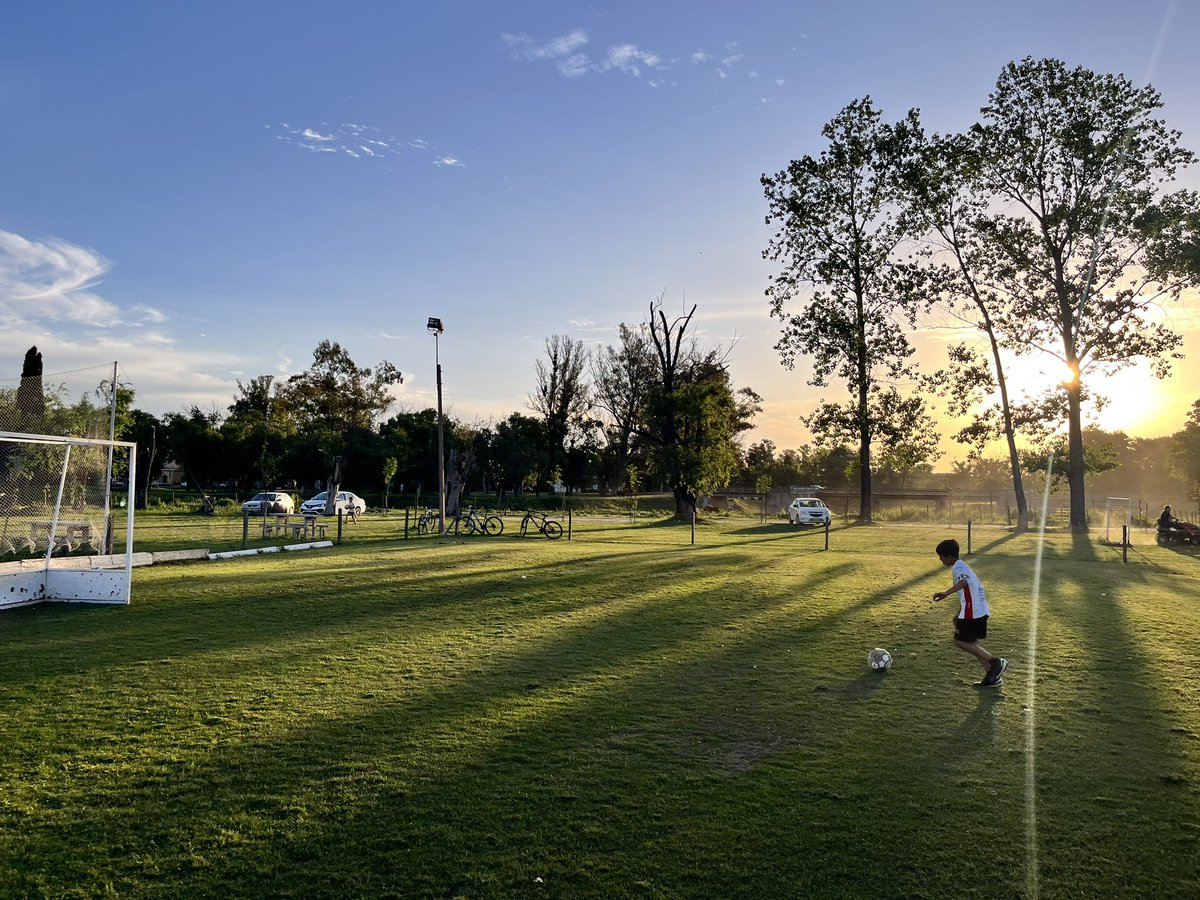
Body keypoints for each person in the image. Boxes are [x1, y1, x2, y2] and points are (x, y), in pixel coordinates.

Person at [933, 538, 1008, 688]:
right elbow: (969, 591)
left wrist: (946, 593)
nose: (940, 560)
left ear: (948, 556)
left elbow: (964, 583)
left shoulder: (959, 568)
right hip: (978, 610)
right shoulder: (963, 566)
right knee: (971, 643)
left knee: (959, 641)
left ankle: (995, 662)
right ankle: (992, 677)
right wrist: (958, 613)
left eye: (941, 556)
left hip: (973, 612)